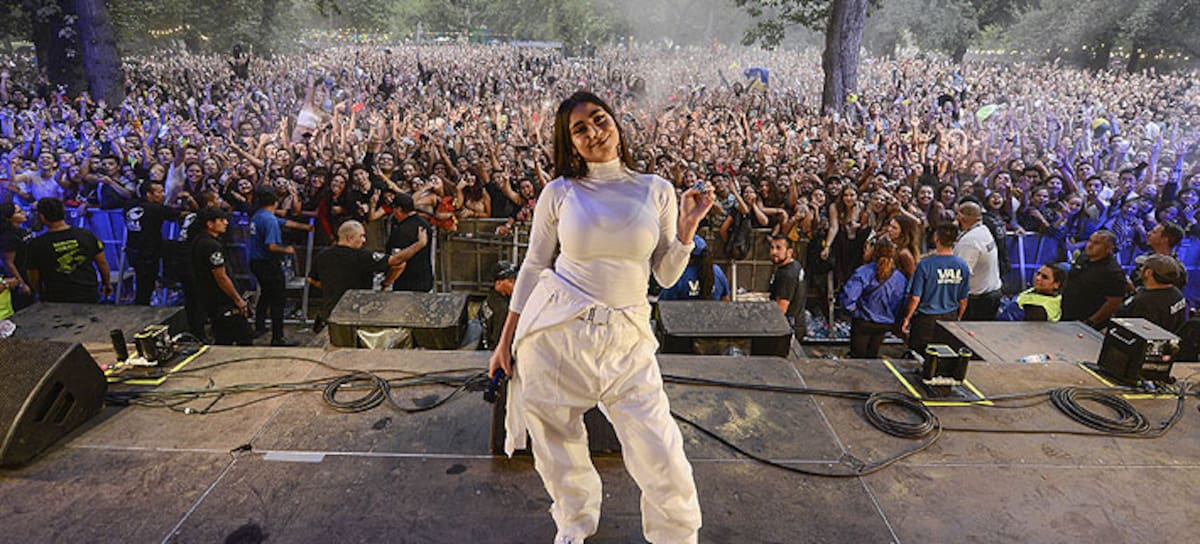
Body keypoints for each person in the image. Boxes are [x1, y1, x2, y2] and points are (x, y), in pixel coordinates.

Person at [488, 91, 709, 544]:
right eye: (580, 129)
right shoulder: (559, 192)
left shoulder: (656, 189)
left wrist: (687, 230)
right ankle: (574, 522)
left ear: (616, 123)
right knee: (556, 443)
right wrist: (504, 341)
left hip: (627, 340)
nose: (593, 132)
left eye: (599, 119)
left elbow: (665, 275)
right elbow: (534, 266)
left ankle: (676, 535)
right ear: (570, 143)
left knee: (661, 450)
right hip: (557, 334)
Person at [309, 220, 426, 329]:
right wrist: (420, 244)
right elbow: (397, 261)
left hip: (330, 316)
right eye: (361, 236)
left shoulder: (322, 255)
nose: (364, 240)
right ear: (350, 238)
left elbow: (311, 279)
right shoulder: (362, 257)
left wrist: (331, 287)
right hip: (355, 317)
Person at [248, 186, 312, 346]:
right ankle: (278, 337)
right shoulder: (269, 220)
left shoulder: (259, 215)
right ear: (276, 201)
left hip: (255, 262)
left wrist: (305, 227)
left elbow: (283, 222)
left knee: (265, 294)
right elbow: (272, 246)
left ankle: (260, 326)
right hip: (268, 263)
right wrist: (288, 249)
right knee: (278, 299)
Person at [901, 223, 970, 354]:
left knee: (920, 355)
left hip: (925, 319)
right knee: (944, 354)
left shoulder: (925, 265)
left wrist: (907, 318)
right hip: (949, 317)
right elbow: (963, 299)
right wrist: (958, 318)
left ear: (936, 238)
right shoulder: (962, 266)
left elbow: (915, 297)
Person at [26, 197, 111, 303]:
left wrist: (40, 293)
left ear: (42, 217)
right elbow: (102, 263)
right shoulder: (86, 235)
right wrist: (106, 284)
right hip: (88, 292)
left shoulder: (36, 244)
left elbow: (33, 276)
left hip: (56, 297)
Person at [190, 206, 251, 346]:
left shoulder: (198, 241)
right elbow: (221, 276)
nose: (226, 223)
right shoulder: (211, 245)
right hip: (221, 300)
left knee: (223, 338)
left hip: (209, 299)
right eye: (221, 220)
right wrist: (238, 299)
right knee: (243, 337)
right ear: (210, 224)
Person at [839, 237, 908, 358]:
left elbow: (848, 299)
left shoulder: (863, 272)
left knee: (857, 358)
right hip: (885, 324)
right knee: (872, 356)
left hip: (863, 321)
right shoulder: (900, 278)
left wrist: (856, 312)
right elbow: (902, 302)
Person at [124, 180, 182, 305]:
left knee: (141, 283)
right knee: (146, 286)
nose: (163, 195)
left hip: (133, 250)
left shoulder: (130, 205)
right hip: (148, 253)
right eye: (159, 192)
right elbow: (178, 214)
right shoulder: (155, 208)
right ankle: (169, 279)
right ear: (148, 194)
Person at [1061, 230, 1126, 330]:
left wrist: (1091, 321)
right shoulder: (1083, 257)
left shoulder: (1113, 272)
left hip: (1084, 321)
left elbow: (1113, 302)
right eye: (1090, 241)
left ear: (1108, 248)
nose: (1090, 245)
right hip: (1065, 312)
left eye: (1096, 243)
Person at [953, 202, 1003, 320]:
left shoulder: (970, 241)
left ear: (961, 217)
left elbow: (961, 274)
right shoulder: (983, 230)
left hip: (977, 301)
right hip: (992, 293)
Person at [1115, 255, 1189, 332]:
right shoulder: (1177, 293)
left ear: (1148, 272)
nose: (1140, 269)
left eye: (1143, 267)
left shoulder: (1145, 302)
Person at [657, 235, 731, 301]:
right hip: (713, 312)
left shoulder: (679, 275)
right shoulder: (717, 272)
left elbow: (664, 303)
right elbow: (726, 299)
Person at [385, 193, 434, 292]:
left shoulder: (401, 231)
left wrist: (387, 282)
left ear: (399, 209)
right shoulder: (424, 224)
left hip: (406, 283)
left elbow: (398, 262)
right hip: (425, 280)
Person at [769, 233, 807, 339]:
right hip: (798, 323)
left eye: (779, 248)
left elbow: (781, 309)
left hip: (788, 328)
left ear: (789, 252)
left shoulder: (786, 274)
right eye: (772, 248)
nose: (774, 252)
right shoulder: (795, 265)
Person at [1129, 222, 1188, 290]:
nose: (1148, 233)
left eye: (1154, 232)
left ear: (1164, 240)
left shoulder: (1177, 270)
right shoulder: (1142, 260)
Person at [999, 263, 1066, 322]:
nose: (1038, 278)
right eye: (1038, 273)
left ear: (1056, 284)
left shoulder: (1040, 310)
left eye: (1044, 277)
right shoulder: (1037, 290)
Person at [0, 203, 35, 311]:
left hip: (31, 272)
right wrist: (21, 284)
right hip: (21, 275)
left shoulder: (22, 231)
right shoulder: (8, 237)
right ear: (9, 218)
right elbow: (8, 263)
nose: (23, 213)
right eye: (19, 212)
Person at [481, 259, 518, 350]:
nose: (515, 285)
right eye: (510, 281)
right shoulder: (503, 309)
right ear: (498, 283)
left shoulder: (490, 297)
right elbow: (499, 342)